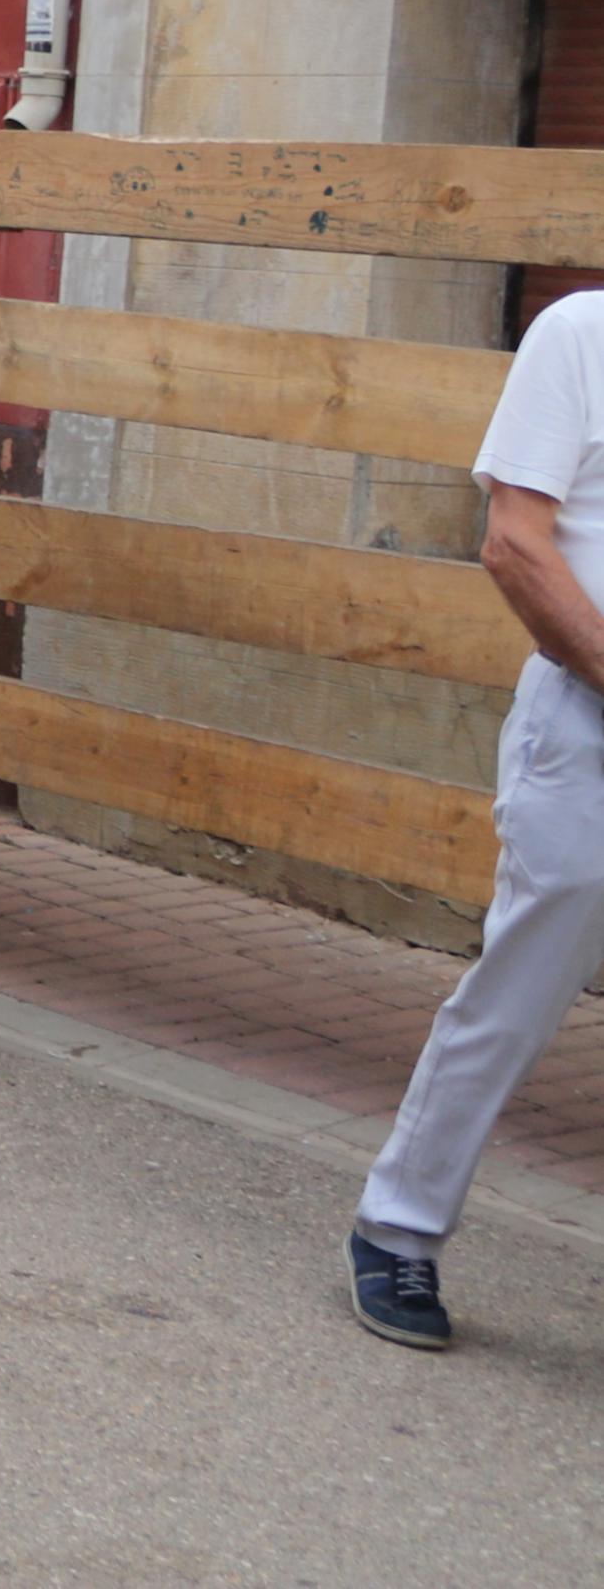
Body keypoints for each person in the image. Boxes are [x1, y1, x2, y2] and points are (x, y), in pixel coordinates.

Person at [349, 287, 604, 1348]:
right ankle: (396, 1227)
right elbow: (512, 541)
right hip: (587, 716)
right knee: (518, 990)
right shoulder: (578, 334)